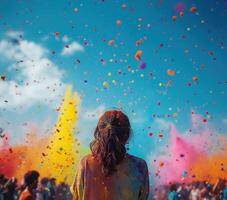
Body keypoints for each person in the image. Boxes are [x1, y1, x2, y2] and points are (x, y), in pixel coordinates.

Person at [71, 110, 150, 200]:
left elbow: (77, 196)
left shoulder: (86, 163)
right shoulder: (139, 166)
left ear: (98, 133)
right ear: (126, 135)